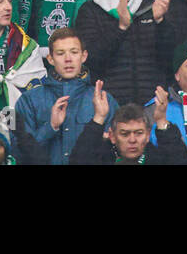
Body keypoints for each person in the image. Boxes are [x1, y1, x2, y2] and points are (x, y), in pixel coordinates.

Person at [72, 0, 171, 106]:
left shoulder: (155, 3)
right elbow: (90, 59)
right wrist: (121, 27)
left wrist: (160, 21)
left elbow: (169, 58)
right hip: (109, 104)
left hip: (151, 103)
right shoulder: (90, 9)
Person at [14, 26, 118, 164]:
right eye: (60, 53)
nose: (68, 59)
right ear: (50, 59)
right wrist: (50, 127)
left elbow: (117, 152)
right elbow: (17, 154)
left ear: (84, 56)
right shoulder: (28, 100)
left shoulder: (104, 100)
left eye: (74, 52)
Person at [69, 88, 187, 164]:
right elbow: (78, 160)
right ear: (112, 136)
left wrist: (161, 120)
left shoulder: (157, 159)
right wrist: (99, 118)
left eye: (139, 133)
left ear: (148, 135)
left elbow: (180, 160)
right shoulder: (103, 158)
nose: (132, 140)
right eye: (124, 134)